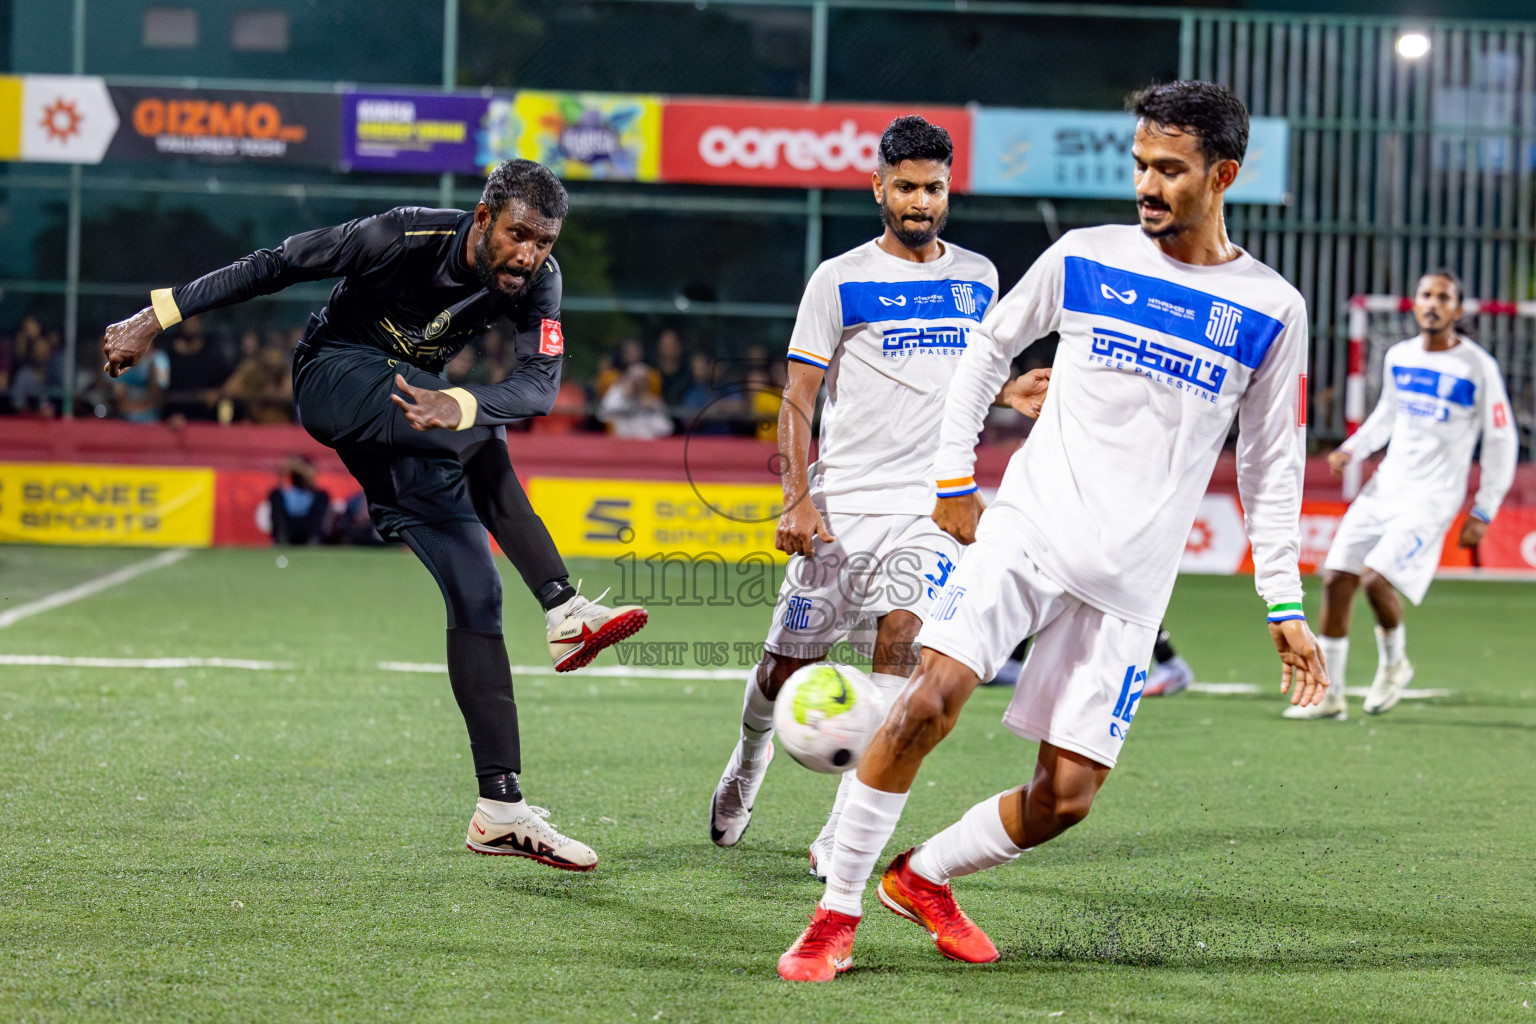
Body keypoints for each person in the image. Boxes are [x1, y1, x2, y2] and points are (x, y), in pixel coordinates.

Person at [776, 81, 1329, 982]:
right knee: (926, 703)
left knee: (1065, 799)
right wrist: (954, 480)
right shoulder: (1085, 255)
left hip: (1132, 581)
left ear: (1224, 175)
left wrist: (1282, 600)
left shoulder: (1272, 308)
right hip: (1028, 529)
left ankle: (924, 877)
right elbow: (988, 351)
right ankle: (832, 915)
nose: (1147, 186)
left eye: (1171, 171)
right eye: (1141, 165)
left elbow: (1273, 463)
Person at [101, 159, 648, 872]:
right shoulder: (397, 236)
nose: (530, 255)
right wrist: (156, 314)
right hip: (333, 373)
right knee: (475, 427)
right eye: (518, 235)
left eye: (544, 241)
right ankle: (564, 605)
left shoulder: (539, 282)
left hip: (410, 411)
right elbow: (274, 264)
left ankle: (500, 808)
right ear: (483, 218)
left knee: (475, 585)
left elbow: (540, 385)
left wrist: (464, 403)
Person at [710, 115, 1036, 878]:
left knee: (902, 651)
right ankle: (749, 756)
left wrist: (1010, 389)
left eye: (934, 188)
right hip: (844, 506)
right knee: (783, 670)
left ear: (948, 189)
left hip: (930, 507)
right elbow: (798, 397)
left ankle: (838, 830)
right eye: (907, 187)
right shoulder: (840, 278)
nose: (921, 202)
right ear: (878, 188)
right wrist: (797, 499)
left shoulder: (979, 276)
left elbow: (967, 379)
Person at [1289, 269, 1518, 720]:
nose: (1433, 303)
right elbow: (1386, 414)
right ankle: (1331, 696)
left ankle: (1395, 665)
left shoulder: (1477, 367)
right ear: (1414, 304)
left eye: (1443, 297)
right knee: (1336, 580)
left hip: (1431, 499)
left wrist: (1485, 508)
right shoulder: (1399, 356)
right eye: (1426, 295)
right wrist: (1353, 449)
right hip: (1384, 488)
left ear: (1457, 309)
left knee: (1376, 579)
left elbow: (1501, 439)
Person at [268, 455, 331, 545]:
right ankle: (282, 541)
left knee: (322, 497)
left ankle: (312, 542)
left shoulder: (319, 495)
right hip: (288, 532)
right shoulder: (280, 494)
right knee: (275, 496)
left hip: (308, 533)